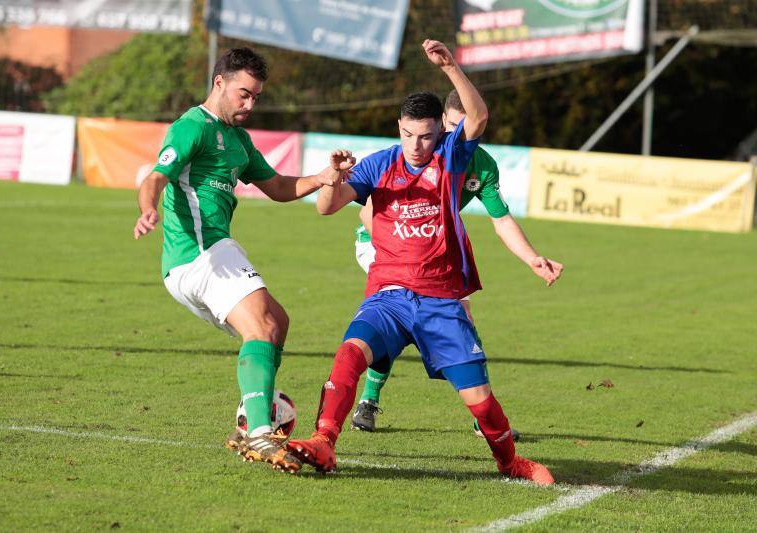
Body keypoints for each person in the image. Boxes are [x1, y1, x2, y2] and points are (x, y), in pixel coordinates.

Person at [287, 40, 560, 485]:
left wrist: (451, 67)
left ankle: (510, 462)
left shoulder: (452, 160)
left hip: (441, 300)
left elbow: (479, 117)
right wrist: (332, 178)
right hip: (389, 296)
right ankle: (324, 441)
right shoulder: (379, 165)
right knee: (349, 354)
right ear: (399, 128)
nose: (416, 145)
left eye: (427, 135)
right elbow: (325, 207)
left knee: (480, 398)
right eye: (409, 134)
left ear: (440, 134)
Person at [134, 47, 353, 474]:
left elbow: (277, 186)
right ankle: (258, 432)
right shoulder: (191, 127)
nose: (249, 104)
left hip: (212, 254)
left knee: (278, 322)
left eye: (255, 97)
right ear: (219, 83)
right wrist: (148, 209)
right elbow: (156, 177)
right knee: (263, 326)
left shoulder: (238, 140)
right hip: (199, 255)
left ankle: (250, 421)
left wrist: (324, 178)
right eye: (243, 94)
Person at [351, 89, 560, 438]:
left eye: (463, 129)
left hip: (432, 254)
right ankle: (369, 401)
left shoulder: (479, 164)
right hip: (379, 245)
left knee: (458, 318)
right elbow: (367, 212)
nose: (454, 138)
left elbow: (502, 218)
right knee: (397, 318)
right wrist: (404, 256)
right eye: (449, 127)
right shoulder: (414, 156)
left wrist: (532, 258)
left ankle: (482, 415)